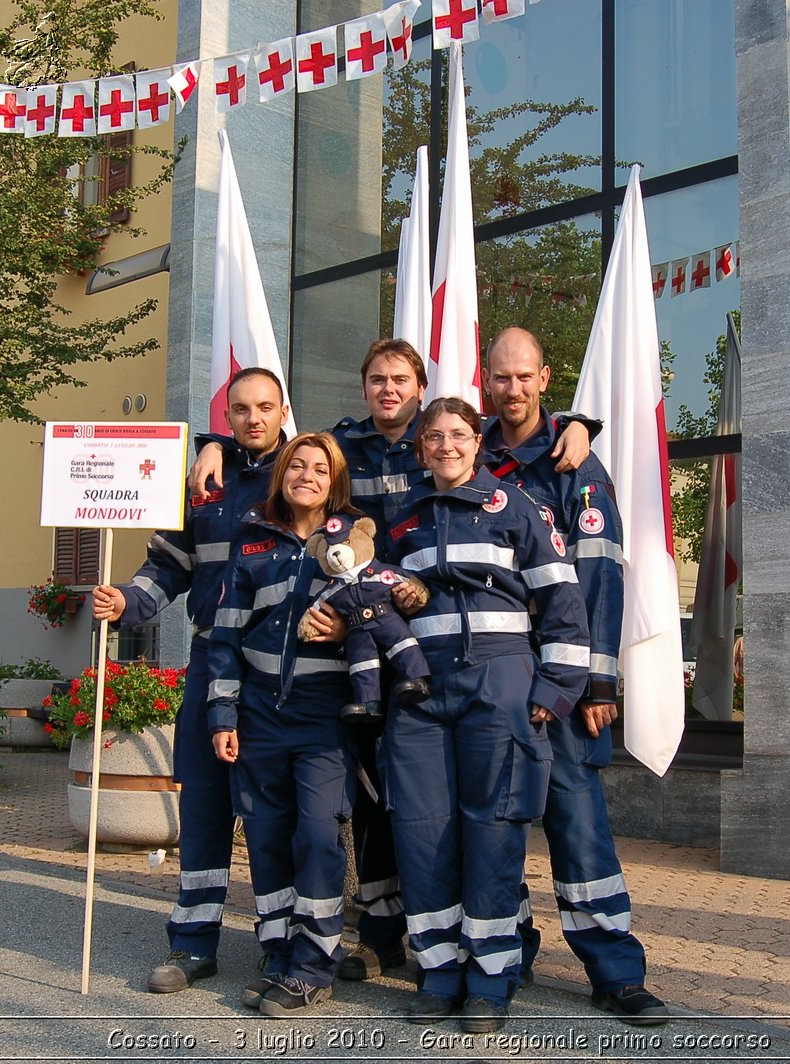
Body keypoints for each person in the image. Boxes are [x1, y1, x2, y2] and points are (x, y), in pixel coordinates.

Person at [186, 338, 595, 984]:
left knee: (498, 817)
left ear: (425, 392)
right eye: (376, 377)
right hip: (384, 676)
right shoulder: (369, 479)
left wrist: (575, 426)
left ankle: (507, 952)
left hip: (475, 675)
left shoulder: (478, 475)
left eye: (400, 379)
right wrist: (211, 440)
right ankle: (385, 940)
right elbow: (284, 458)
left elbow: (520, 434)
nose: (388, 389)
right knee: (392, 813)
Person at [480, 327, 670, 1025]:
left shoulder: (574, 465)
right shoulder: (470, 451)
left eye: (525, 376)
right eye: (501, 377)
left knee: (578, 824)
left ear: (544, 376)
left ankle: (615, 972)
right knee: (494, 823)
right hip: (493, 680)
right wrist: (222, 446)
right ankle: (507, 954)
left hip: (559, 684)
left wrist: (597, 683)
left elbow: (598, 578)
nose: (513, 389)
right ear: (486, 379)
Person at [384, 397, 591, 1033]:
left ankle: (490, 978)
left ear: (477, 444)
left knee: (494, 829)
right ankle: (439, 971)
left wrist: (553, 691)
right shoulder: (401, 521)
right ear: (420, 449)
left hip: (499, 685)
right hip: (419, 694)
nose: (446, 446)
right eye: (434, 438)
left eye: (458, 436)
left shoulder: (516, 508)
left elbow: (562, 601)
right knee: (421, 833)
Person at [90, 367, 290, 995]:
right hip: (210, 659)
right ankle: (194, 939)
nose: (252, 418)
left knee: (270, 812)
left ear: (284, 410)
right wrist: (126, 601)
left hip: (278, 666)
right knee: (203, 802)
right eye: (239, 410)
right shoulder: (204, 483)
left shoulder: (307, 475)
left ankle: (280, 942)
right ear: (226, 417)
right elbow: (166, 567)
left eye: (263, 407)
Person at [206, 433, 361, 1017]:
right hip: (259, 715)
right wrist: (223, 713)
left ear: (333, 482)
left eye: (320, 469)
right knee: (267, 835)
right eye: (297, 465)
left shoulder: (353, 540)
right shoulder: (251, 543)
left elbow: (379, 613)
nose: (307, 476)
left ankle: (315, 962)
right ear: (282, 475)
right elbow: (224, 639)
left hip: (324, 716)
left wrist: (349, 631)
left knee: (318, 833)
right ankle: (278, 950)